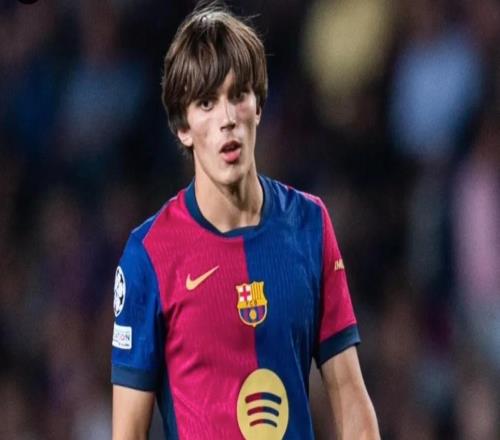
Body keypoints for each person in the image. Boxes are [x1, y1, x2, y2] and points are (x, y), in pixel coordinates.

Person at [111, 3, 379, 439]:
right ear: (183, 127)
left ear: (258, 105)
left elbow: (349, 394)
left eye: (238, 95)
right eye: (206, 103)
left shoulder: (310, 224)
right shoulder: (148, 256)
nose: (227, 119)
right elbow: (128, 432)